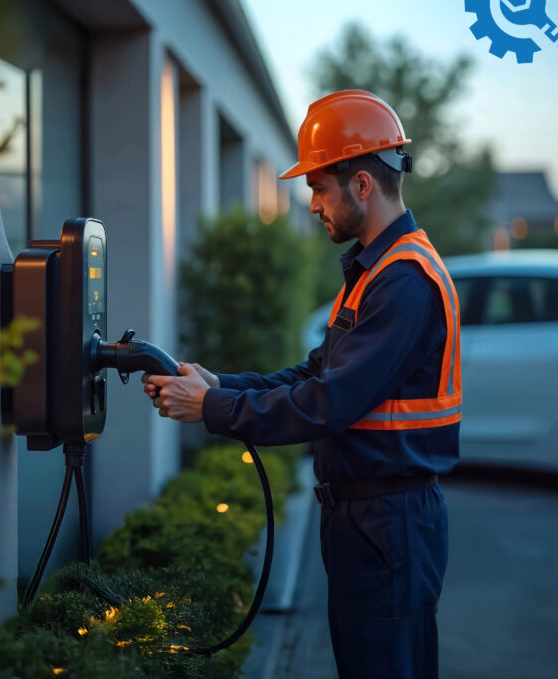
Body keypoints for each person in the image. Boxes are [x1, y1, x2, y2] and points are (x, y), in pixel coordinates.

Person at [142, 89, 460, 679]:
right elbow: (316, 374)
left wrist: (212, 407)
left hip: (390, 521)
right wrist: (221, 384)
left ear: (362, 184)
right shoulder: (373, 272)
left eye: (318, 187)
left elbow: (328, 404)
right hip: (371, 520)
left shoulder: (403, 282)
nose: (312, 204)